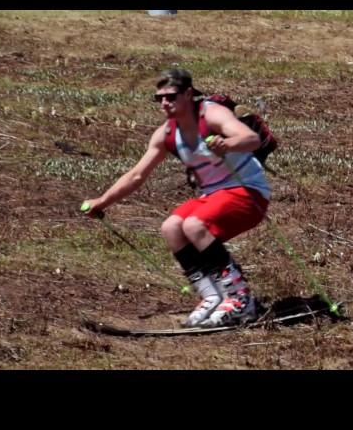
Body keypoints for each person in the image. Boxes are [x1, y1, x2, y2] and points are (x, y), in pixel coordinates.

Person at [82, 69, 270, 328]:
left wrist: (228, 144)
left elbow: (251, 139)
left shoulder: (211, 113)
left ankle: (240, 299)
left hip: (248, 190)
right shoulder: (166, 133)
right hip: (214, 194)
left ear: (188, 94)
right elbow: (137, 175)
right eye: (158, 99)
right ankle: (212, 296)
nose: (164, 104)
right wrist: (102, 202)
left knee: (195, 224)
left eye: (170, 97)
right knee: (171, 227)